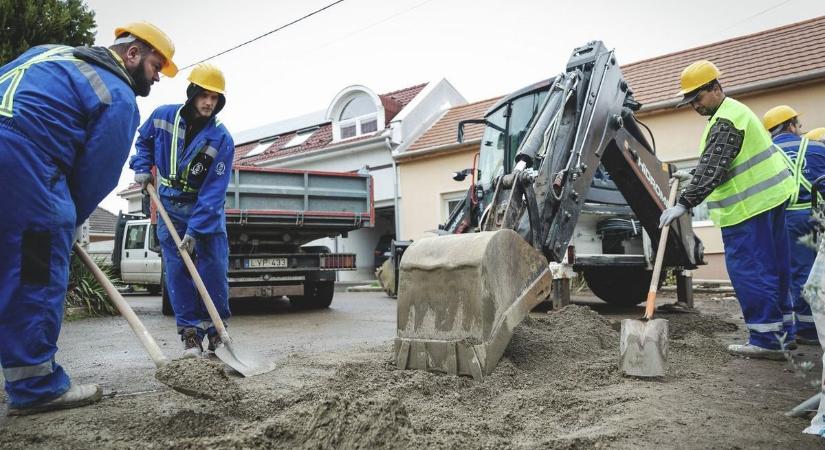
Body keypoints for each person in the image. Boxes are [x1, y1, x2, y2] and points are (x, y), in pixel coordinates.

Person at [0, 22, 177, 416]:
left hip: (10, 147)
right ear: (132, 54)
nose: (156, 78)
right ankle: (36, 387)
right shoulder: (117, 95)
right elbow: (94, 177)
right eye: (155, 66)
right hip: (23, 159)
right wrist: (62, 226)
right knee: (35, 272)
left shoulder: (49, 52)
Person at [659, 60, 796, 359]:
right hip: (769, 201)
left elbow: (715, 166)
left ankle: (767, 341)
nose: (694, 105)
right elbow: (721, 160)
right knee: (775, 268)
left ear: (716, 88)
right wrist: (693, 173)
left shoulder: (725, 120)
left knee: (752, 272)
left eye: (698, 97)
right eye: (690, 100)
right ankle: (785, 333)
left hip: (747, 210)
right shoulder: (735, 112)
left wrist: (684, 203)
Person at [130, 63, 234, 358]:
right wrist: (142, 168)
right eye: (204, 95)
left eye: (215, 98)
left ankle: (216, 333)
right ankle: (190, 335)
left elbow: (214, 191)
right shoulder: (163, 116)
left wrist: (195, 231)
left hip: (204, 210)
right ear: (192, 93)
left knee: (212, 270)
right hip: (168, 206)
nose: (209, 103)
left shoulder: (222, 138)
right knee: (177, 272)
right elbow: (143, 141)